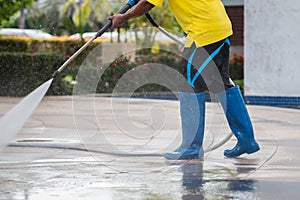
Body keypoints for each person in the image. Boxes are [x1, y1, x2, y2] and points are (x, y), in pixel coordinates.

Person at [108, 0, 260, 159]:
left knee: (190, 85)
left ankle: (191, 147)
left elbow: (147, 4)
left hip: (203, 33)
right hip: (219, 27)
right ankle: (246, 140)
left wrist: (123, 17)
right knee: (221, 84)